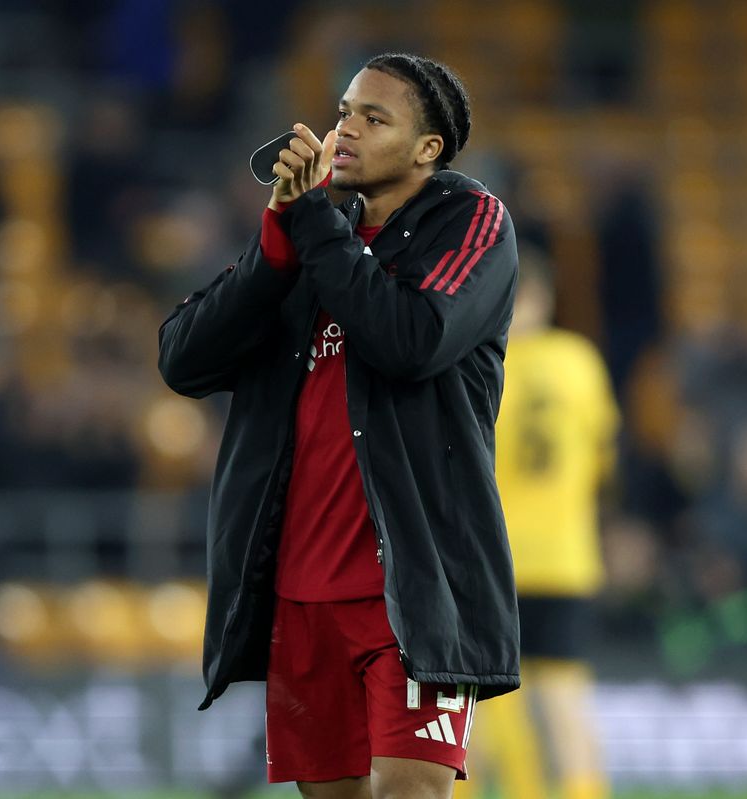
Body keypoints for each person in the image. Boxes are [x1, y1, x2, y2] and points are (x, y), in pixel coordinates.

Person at [159, 53, 520, 798]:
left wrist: (315, 222)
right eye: (345, 111)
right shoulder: (310, 241)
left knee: (408, 792)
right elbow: (183, 359)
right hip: (302, 593)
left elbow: (410, 338)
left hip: (417, 590)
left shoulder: (472, 220)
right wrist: (276, 245)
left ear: (428, 149)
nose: (344, 129)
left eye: (373, 117)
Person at [456, 247, 619, 799]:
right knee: (565, 694)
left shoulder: (477, 360)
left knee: (472, 698)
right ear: (544, 299)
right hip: (567, 558)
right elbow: (602, 459)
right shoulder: (581, 362)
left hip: (491, 559)